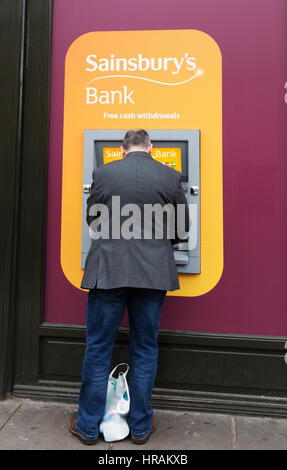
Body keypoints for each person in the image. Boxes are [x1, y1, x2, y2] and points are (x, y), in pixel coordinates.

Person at [69, 129, 190, 445]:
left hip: (108, 270)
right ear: (151, 148)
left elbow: (93, 220)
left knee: (98, 349)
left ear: (122, 150)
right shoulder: (169, 175)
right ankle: (139, 427)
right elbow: (182, 227)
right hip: (153, 274)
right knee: (145, 348)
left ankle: (87, 426)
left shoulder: (103, 172)